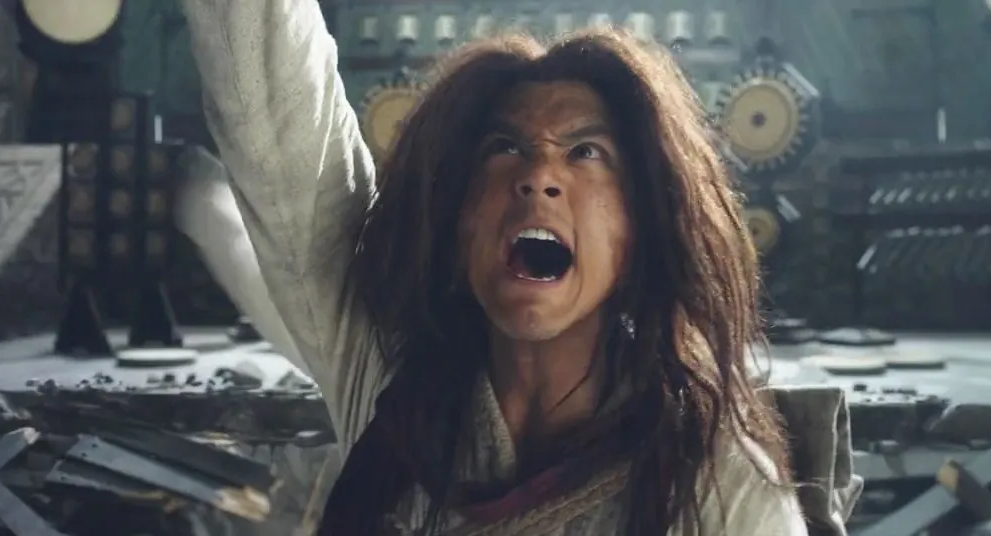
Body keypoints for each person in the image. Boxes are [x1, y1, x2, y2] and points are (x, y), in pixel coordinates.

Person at [177, 0, 810, 533]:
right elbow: (278, 107)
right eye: (504, 148)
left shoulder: (716, 483)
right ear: (457, 222)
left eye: (586, 152)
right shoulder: (394, 388)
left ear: (639, 232)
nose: (538, 177)